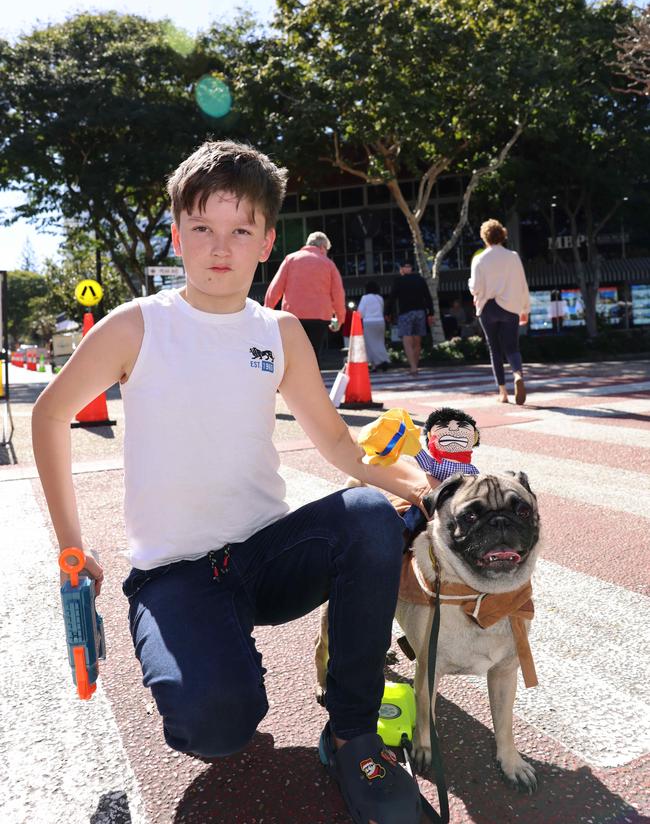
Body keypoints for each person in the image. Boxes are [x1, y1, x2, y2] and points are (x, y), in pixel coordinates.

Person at [32, 140, 430, 824]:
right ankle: (214, 661)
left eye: (241, 230)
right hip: (176, 574)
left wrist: (421, 487)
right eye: (203, 230)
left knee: (369, 514)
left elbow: (335, 439)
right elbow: (49, 415)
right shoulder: (140, 324)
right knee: (218, 729)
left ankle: (352, 733)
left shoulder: (278, 333)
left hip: (266, 557)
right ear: (176, 234)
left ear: (267, 241)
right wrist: (73, 547)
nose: (221, 249)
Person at [468, 218, 530, 405]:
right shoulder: (513, 256)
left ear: (484, 237)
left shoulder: (479, 259)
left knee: (494, 349)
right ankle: (517, 374)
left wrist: (470, 285)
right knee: (512, 347)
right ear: (503, 235)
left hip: (488, 307)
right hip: (510, 307)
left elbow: (476, 287)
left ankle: (502, 392)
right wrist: (525, 308)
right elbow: (522, 284)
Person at [264, 230, 346, 367]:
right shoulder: (328, 264)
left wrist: (267, 310)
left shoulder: (291, 259)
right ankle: (313, 385)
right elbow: (338, 294)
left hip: (293, 316)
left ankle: (293, 385)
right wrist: (340, 318)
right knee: (314, 354)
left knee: (294, 354)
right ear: (322, 247)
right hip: (320, 317)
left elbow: (275, 287)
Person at [387, 262, 434, 376]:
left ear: (402, 269)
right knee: (417, 341)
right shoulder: (420, 279)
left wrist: (387, 312)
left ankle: (413, 367)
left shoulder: (398, 281)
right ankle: (415, 366)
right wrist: (431, 313)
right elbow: (427, 296)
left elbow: (392, 297)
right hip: (420, 312)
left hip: (405, 313)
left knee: (407, 341)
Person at [357, 280, 390, 371]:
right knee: (379, 342)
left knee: (370, 344)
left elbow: (360, 313)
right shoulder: (380, 298)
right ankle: (378, 362)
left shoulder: (365, 298)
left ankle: (380, 361)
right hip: (380, 321)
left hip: (369, 322)